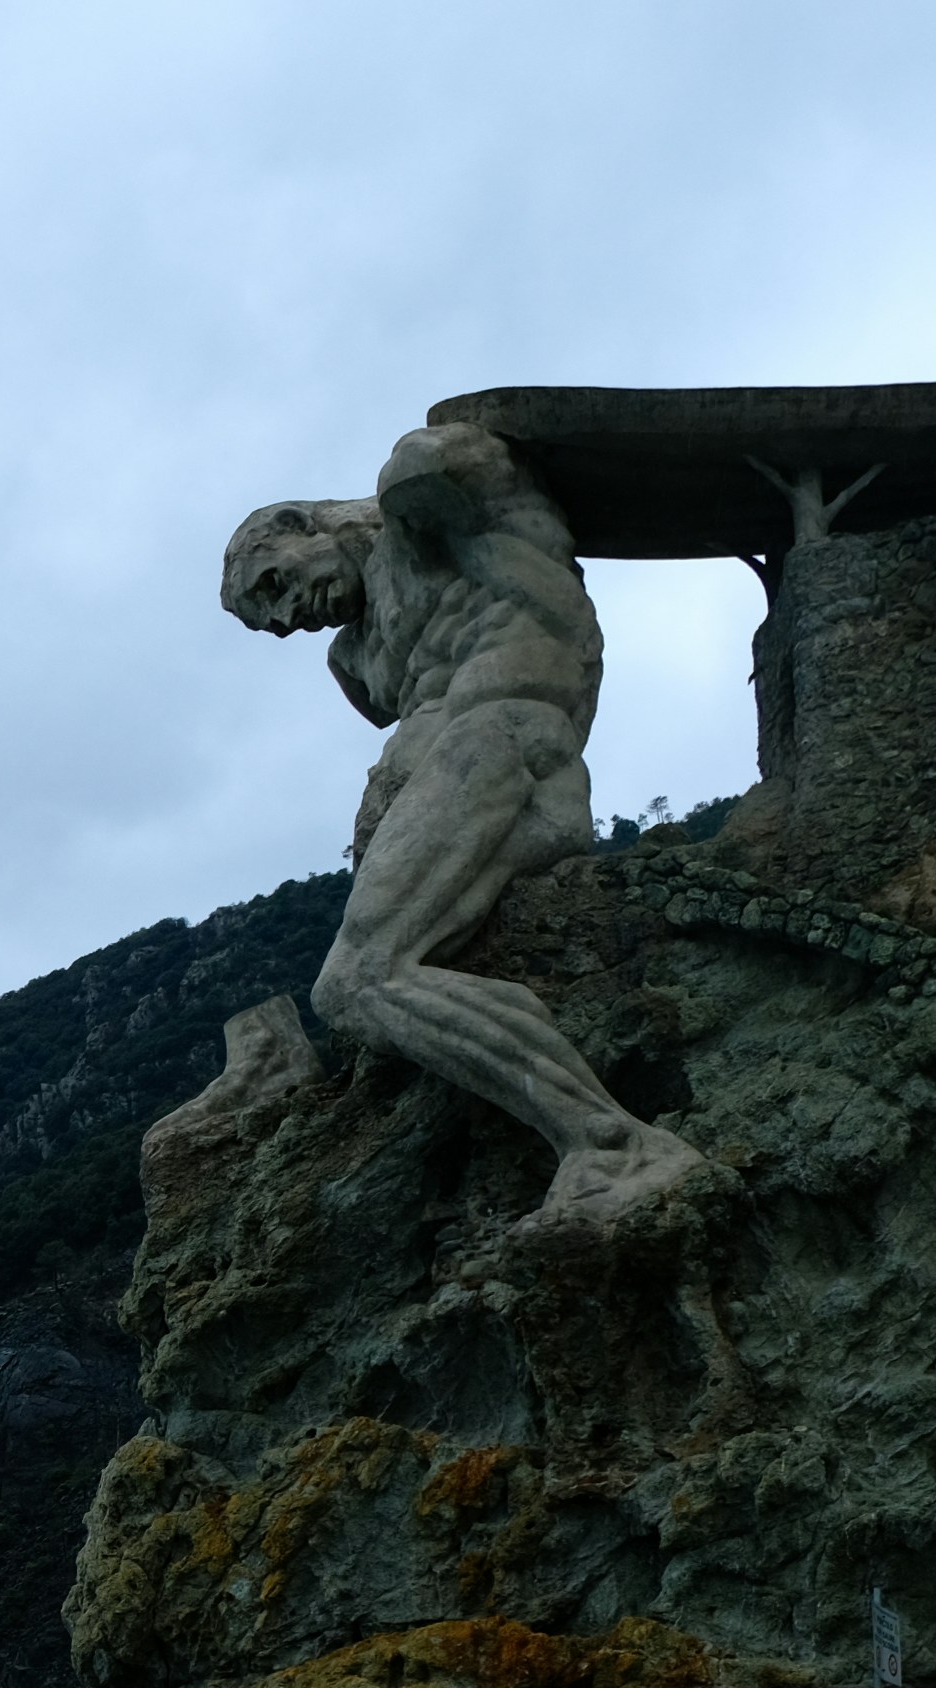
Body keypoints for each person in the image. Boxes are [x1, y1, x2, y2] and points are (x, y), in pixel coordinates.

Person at [147, 422, 706, 1229]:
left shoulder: (425, 512)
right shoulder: (358, 662)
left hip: (511, 746)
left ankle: (613, 1145)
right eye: (264, 623)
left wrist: (417, 477)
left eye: (273, 585)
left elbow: (455, 462)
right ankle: (296, 1069)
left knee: (359, 979)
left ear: (306, 526)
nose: (283, 620)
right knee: (371, 975)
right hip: (468, 782)